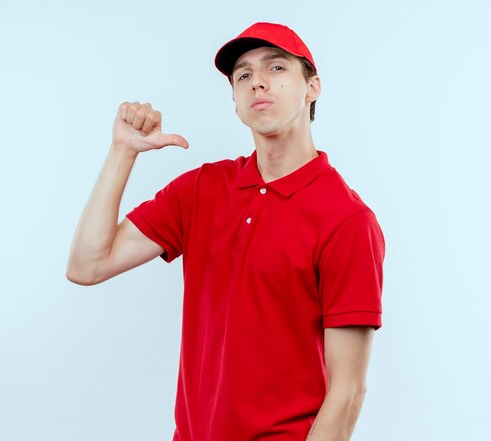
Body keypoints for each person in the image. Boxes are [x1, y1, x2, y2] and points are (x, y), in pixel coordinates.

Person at [66, 22, 385, 441]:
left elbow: (347, 393)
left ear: (313, 88)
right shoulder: (202, 190)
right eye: (244, 75)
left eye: (276, 68)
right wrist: (122, 151)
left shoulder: (347, 219)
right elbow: (87, 265)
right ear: (235, 102)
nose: (257, 84)